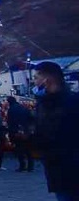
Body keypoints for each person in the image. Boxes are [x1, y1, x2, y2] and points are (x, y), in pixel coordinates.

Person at [32, 61, 79, 200]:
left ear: (47, 80)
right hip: (56, 169)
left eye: (36, 77)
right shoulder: (43, 104)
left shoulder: (72, 102)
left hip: (71, 166)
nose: (34, 81)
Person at [6, 96, 35, 172]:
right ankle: (30, 166)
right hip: (26, 131)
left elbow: (10, 122)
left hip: (17, 132)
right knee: (28, 149)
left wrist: (11, 132)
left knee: (19, 149)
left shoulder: (11, 110)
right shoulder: (23, 108)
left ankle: (22, 166)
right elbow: (31, 117)